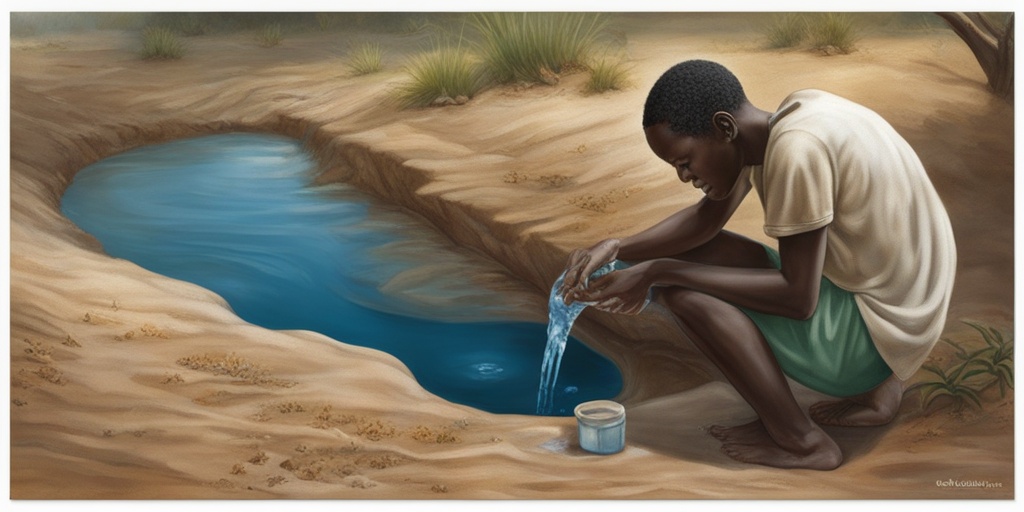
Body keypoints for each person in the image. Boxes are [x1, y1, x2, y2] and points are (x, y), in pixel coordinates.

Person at [559, 59, 956, 470]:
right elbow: (705, 222)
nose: (684, 176)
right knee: (691, 258)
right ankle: (883, 389)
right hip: (906, 315)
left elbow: (798, 299)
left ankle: (801, 441)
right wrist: (618, 245)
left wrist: (658, 272)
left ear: (724, 128)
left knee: (683, 296)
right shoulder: (788, 119)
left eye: (684, 161)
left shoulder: (797, 152)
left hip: (874, 334)